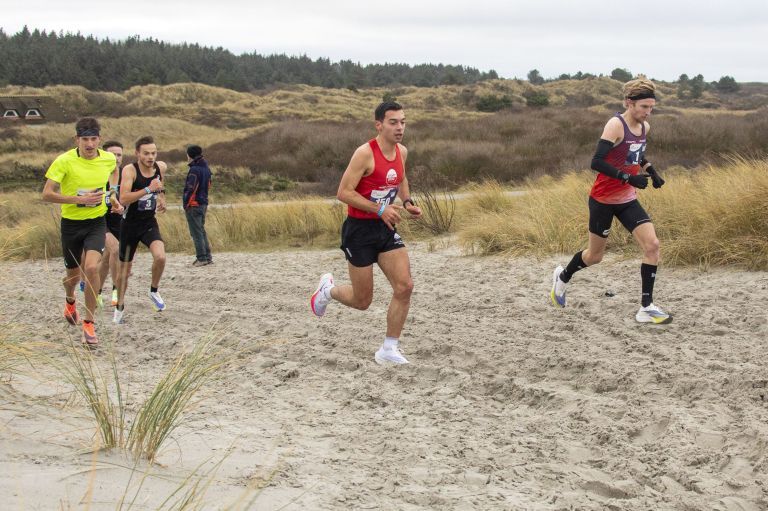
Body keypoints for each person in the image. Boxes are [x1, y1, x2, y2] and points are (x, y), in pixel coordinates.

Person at [550, 77, 671, 324]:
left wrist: (652, 171)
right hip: (603, 200)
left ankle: (646, 308)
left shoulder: (644, 128)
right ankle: (563, 277)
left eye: (651, 107)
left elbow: (636, 153)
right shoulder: (615, 125)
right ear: (629, 102)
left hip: (627, 199)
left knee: (652, 246)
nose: (648, 113)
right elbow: (596, 161)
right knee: (595, 257)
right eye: (643, 107)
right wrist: (628, 177)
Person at [310, 101, 422, 365]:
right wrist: (381, 208)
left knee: (405, 286)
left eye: (403, 122)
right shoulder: (365, 153)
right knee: (362, 301)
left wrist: (407, 202)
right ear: (379, 125)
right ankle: (327, 291)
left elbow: (400, 177)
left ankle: (388, 349)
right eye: (393, 122)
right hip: (358, 230)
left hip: (384, 229)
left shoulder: (401, 152)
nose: (400, 128)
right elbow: (343, 193)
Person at [41, 117, 117, 346]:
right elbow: (47, 194)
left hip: (96, 222)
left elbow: (114, 172)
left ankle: (89, 324)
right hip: (71, 224)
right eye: (85, 139)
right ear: (77, 140)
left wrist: (111, 195)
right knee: (73, 277)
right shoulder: (64, 161)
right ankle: (70, 299)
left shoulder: (108, 158)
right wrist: (77, 199)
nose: (90, 144)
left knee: (92, 268)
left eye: (94, 139)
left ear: (99, 139)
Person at [114, 136, 167, 324]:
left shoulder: (160, 167)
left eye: (153, 153)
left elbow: (160, 184)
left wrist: (161, 197)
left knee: (160, 257)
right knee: (124, 273)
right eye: (146, 153)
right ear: (137, 153)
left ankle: (153, 290)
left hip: (148, 223)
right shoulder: (130, 170)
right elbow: (124, 198)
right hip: (129, 226)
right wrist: (148, 189)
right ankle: (119, 306)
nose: (150, 157)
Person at [100, 140, 125, 306]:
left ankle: (96, 289)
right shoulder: (98, 174)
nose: (116, 158)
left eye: (119, 155)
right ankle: (116, 292)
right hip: (100, 221)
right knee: (115, 250)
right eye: (112, 154)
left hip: (120, 222)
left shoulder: (127, 174)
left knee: (107, 258)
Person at [183, 144, 213, 266]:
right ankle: (208, 257)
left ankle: (201, 258)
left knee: (196, 232)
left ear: (189, 155)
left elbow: (191, 188)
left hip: (194, 205)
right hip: (203, 203)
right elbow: (209, 184)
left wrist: (186, 203)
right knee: (201, 230)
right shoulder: (206, 168)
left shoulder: (194, 169)